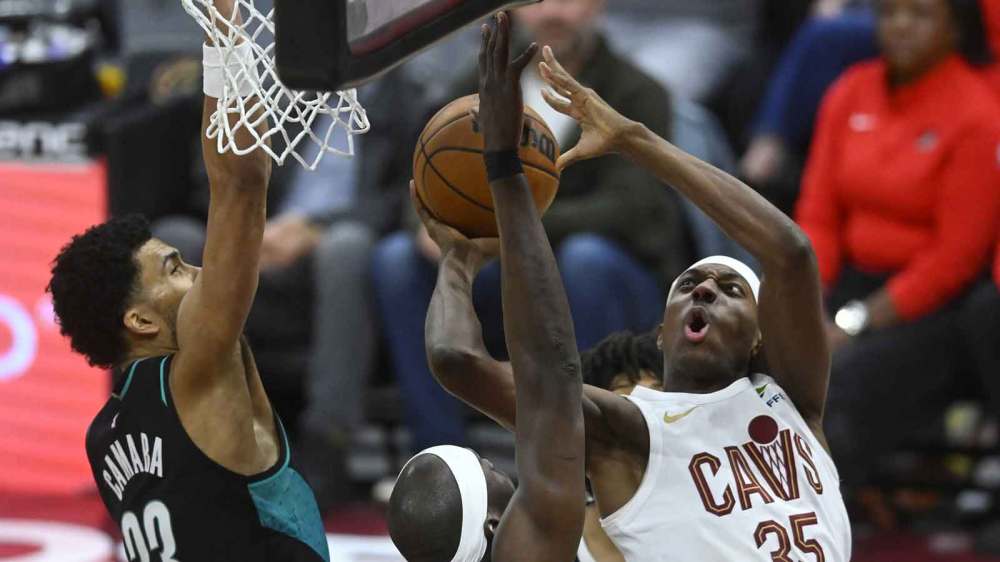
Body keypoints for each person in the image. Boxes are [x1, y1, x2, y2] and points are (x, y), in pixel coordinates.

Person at [426, 45, 852, 560]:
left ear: (762, 337)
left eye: (731, 289)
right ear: (660, 332)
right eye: (690, 283)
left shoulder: (793, 404)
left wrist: (633, 139)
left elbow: (790, 252)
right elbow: (470, 363)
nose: (705, 289)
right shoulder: (630, 433)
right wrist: (459, 253)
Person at [48, 3, 329, 558]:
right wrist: (225, 35)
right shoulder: (198, 370)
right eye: (174, 269)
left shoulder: (103, 436)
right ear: (141, 319)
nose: (199, 271)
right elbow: (240, 187)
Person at [371, 0, 681, 456]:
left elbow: (632, 209)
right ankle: (441, 459)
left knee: (586, 259)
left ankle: (592, 455)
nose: (553, 11)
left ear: (598, 6)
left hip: (608, 281)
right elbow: (427, 168)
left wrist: (513, 227)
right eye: (538, 0)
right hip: (510, 273)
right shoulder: (480, 82)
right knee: (398, 260)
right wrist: (432, 224)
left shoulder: (637, 92)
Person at [387, 13, 586, 561]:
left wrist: (458, 250)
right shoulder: (541, 538)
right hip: (541, 261)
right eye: (488, 469)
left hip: (556, 257)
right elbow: (552, 383)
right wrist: (503, 170)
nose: (500, 460)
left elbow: (455, 356)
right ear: (496, 525)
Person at [794, 0, 1000, 492]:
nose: (901, 25)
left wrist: (853, 323)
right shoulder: (851, 90)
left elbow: (956, 258)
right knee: (761, 360)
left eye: (921, 14)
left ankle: (820, 521)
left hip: (927, 308)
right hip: (843, 283)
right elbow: (817, 213)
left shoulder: (977, 113)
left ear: (955, 29)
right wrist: (808, 304)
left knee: (839, 382)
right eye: (889, 12)